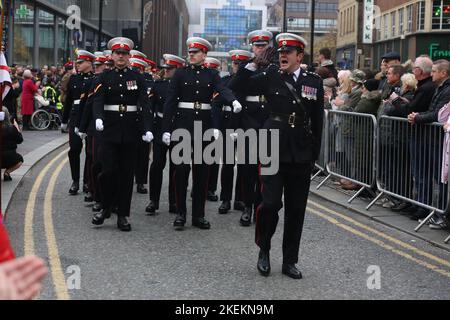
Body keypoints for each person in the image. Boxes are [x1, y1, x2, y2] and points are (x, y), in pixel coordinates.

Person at [231, 33, 324, 279]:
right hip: (272, 147)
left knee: (296, 209)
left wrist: (314, 154)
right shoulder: (270, 76)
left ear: (299, 56)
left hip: (301, 152)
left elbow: (318, 120)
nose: (283, 56)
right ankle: (264, 250)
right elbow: (237, 86)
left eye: (288, 53)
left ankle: (290, 261)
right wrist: (250, 64)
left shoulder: (313, 81)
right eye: (281, 53)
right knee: (270, 204)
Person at [161, 37, 241, 231]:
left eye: (196, 52)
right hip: (182, 126)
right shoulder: (180, 74)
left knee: (201, 173)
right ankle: (181, 213)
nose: (192, 55)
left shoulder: (212, 74)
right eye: (190, 52)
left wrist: (233, 101)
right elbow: (170, 102)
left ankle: (199, 215)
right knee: (181, 171)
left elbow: (222, 90)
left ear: (204, 54)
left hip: (203, 129)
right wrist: (165, 128)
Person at [92, 37, 154, 232]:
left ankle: (122, 215)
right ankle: (105, 206)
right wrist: (99, 118)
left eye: (124, 53)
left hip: (130, 131)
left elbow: (144, 104)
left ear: (129, 56)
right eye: (117, 53)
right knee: (108, 171)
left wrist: (147, 128)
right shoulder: (104, 77)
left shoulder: (138, 78)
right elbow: (98, 100)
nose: (120, 56)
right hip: (109, 131)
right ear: (112, 56)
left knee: (126, 175)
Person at [230, 30, 274, 227]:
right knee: (247, 170)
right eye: (256, 46)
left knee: (264, 171)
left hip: (269, 122)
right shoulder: (248, 67)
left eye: (263, 46)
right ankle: (247, 206)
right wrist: (251, 66)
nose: (260, 49)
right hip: (249, 123)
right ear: (252, 47)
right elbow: (234, 86)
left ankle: (260, 207)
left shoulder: (275, 67)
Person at [145, 54, 186, 215]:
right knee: (157, 165)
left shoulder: (184, 86)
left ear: (177, 69)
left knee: (176, 167)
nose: (166, 72)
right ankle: (153, 200)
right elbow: (150, 107)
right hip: (161, 127)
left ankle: (174, 201)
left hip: (178, 127)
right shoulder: (158, 85)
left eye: (170, 69)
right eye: (165, 69)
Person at [218, 50, 253, 215]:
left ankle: (240, 198)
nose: (236, 66)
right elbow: (217, 104)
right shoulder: (225, 81)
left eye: (240, 63)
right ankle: (225, 199)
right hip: (228, 124)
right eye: (235, 63)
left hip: (244, 125)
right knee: (228, 164)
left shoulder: (250, 82)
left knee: (244, 166)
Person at [61, 51, 95, 196]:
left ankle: (87, 181)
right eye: (78, 62)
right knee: (74, 149)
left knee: (90, 152)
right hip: (75, 117)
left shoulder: (95, 79)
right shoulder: (73, 79)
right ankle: (75, 180)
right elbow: (68, 101)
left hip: (89, 118)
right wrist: (64, 120)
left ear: (89, 63)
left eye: (81, 62)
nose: (78, 65)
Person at [130, 50, 154, 195]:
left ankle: (141, 181)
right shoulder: (131, 79)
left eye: (137, 68)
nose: (135, 70)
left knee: (144, 153)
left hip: (144, 118)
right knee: (130, 151)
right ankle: (130, 175)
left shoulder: (149, 80)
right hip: (132, 119)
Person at [1, 108, 24, 181]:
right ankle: (7, 172)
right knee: (20, 159)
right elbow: (20, 140)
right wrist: (17, 128)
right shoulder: (12, 128)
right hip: (10, 158)